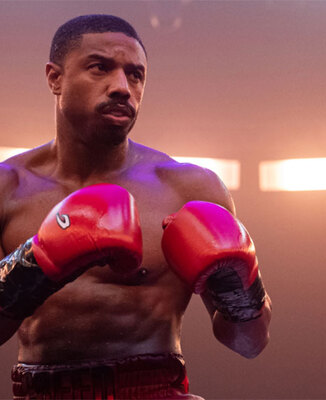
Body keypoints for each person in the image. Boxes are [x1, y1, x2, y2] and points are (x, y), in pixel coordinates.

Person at [0, 14, 272, 400]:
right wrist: (36, 262)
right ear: (54, 78)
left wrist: (239, 289)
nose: (122, 87)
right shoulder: (7, 188)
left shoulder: (190, 188)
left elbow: (250, 342)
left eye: (136, 74)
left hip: (156, 389)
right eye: (100, 67)